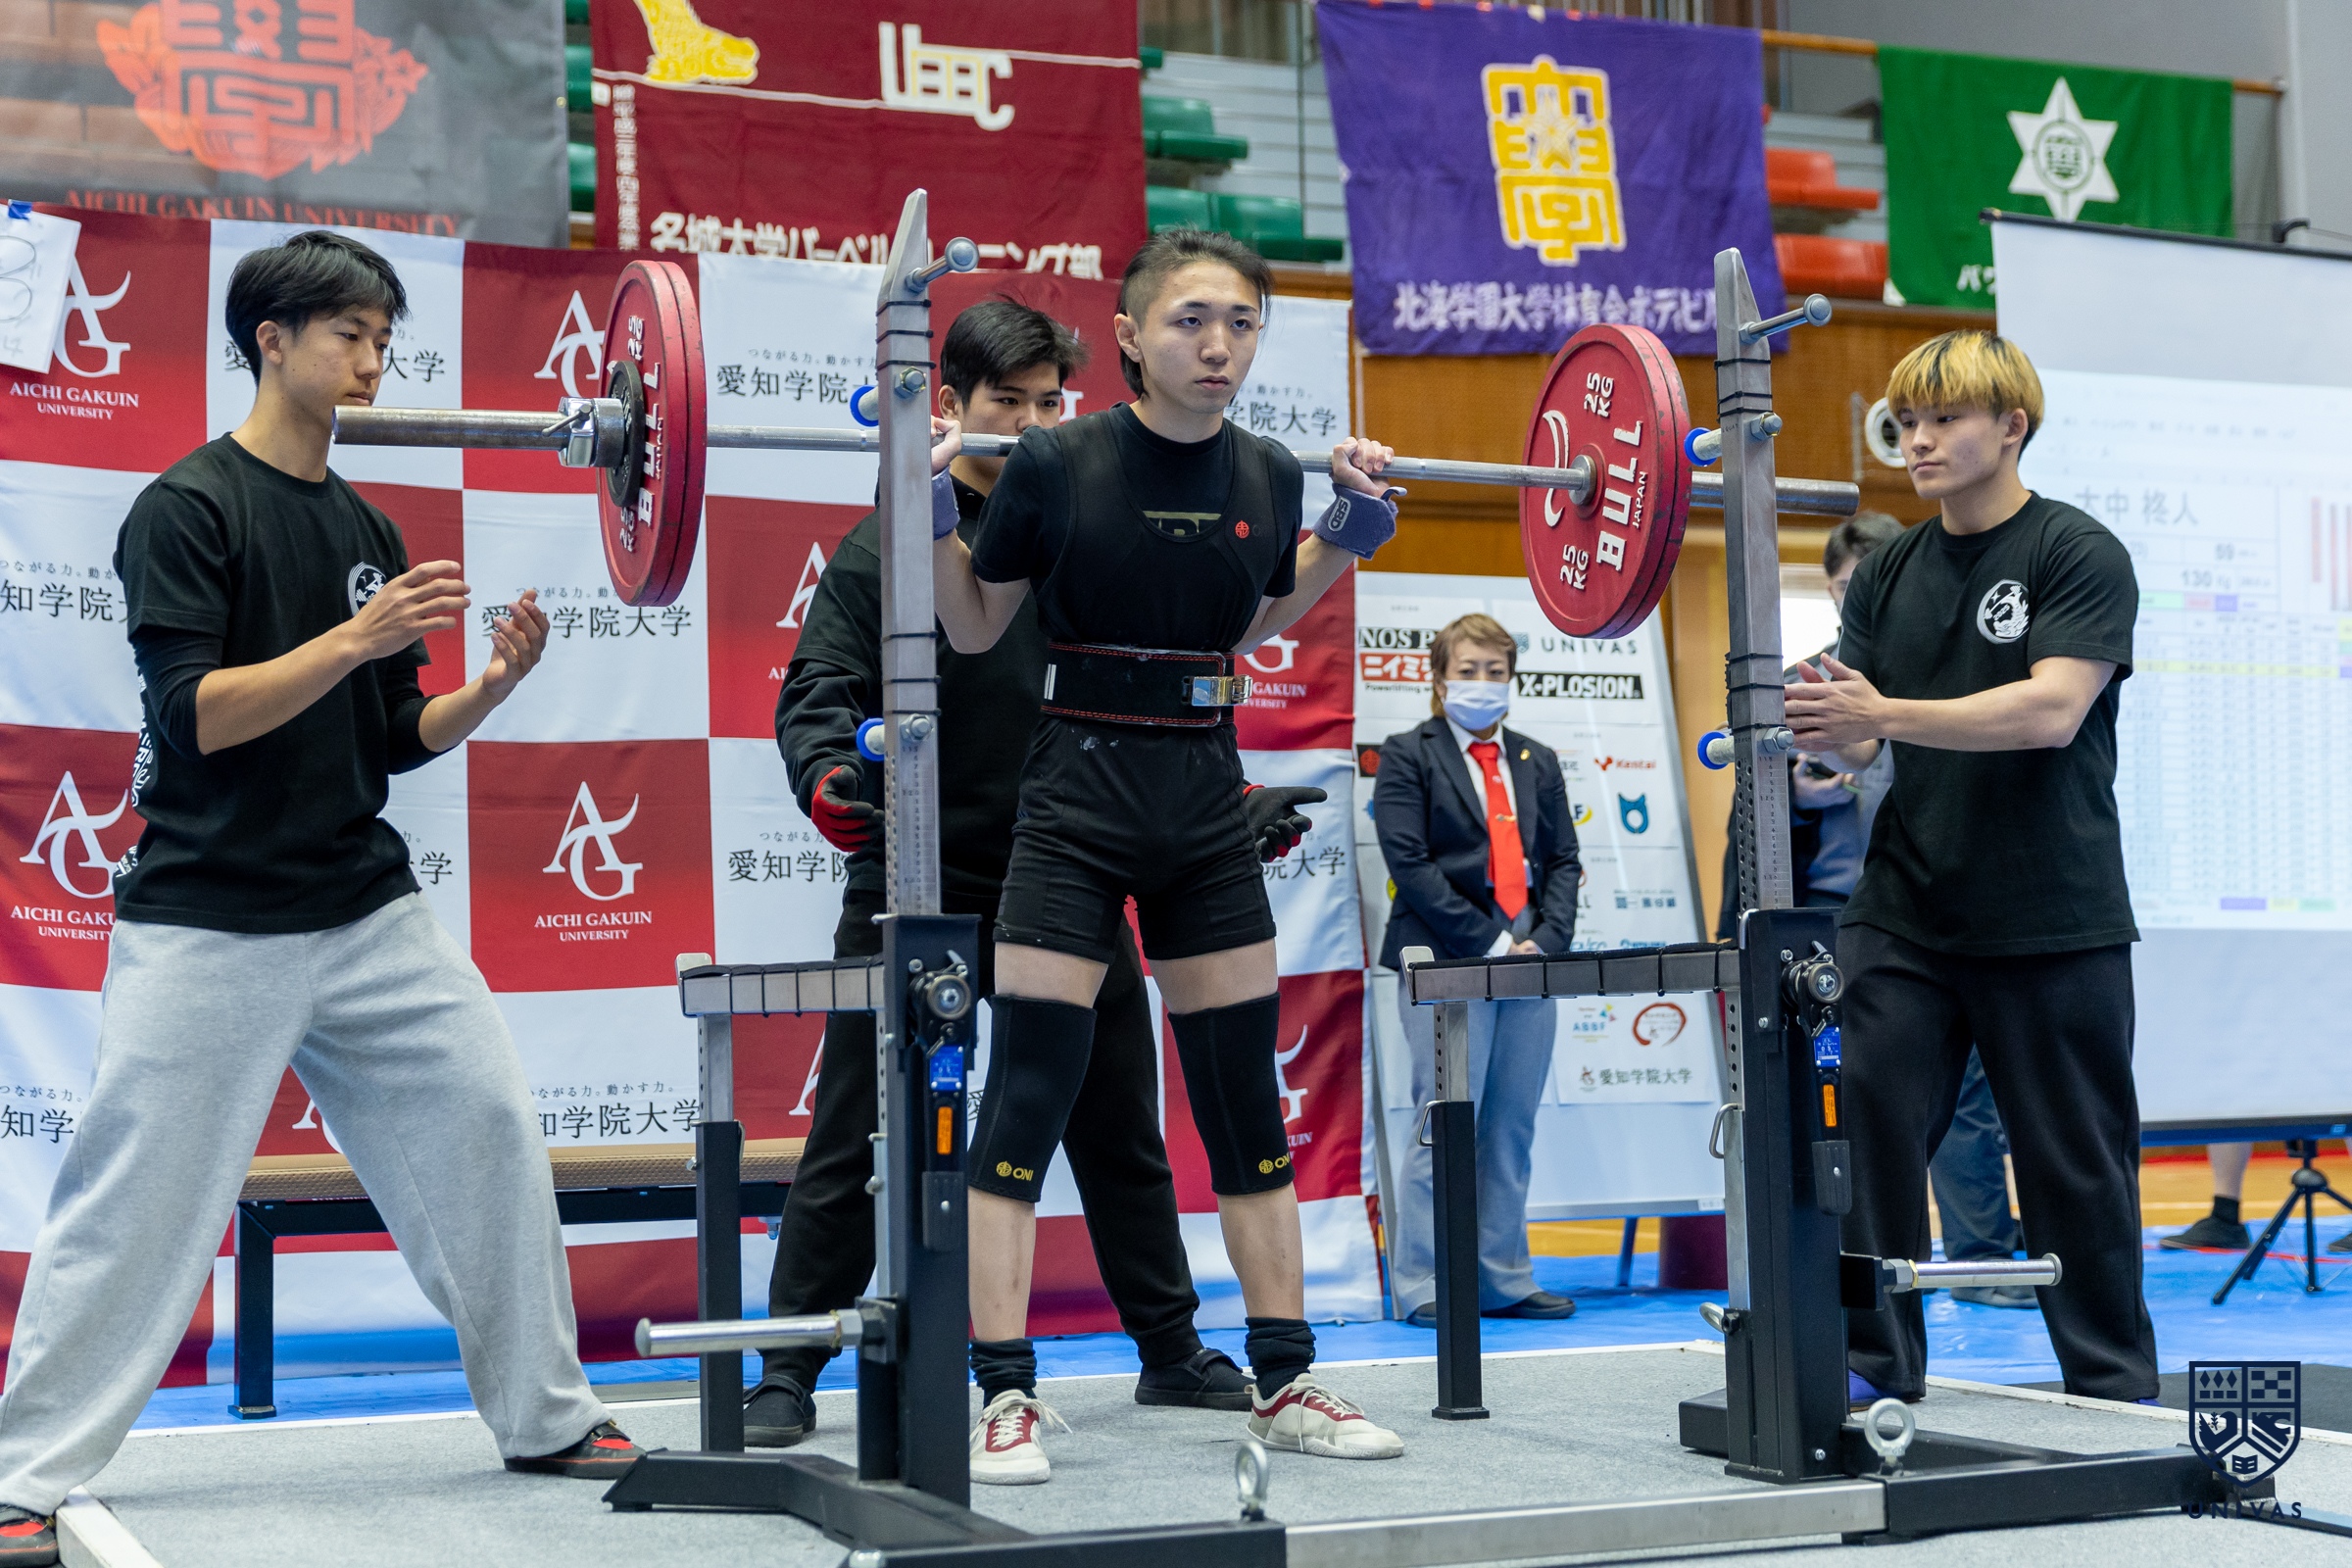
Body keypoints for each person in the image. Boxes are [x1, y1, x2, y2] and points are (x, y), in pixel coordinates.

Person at [0, 232, 632, 1567]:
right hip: (207, 915)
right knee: (133, 1203)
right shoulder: (186, 510)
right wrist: (357, 635)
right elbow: (197, 716)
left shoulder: (367, 528)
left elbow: (394, 735)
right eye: (349, 334)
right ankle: (21, 1475)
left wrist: (490, 688)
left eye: (384, 340)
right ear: (271, 340)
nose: (371, 360)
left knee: (487, 1126)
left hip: (363, 907)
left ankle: (548, 1417)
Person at [747, 299, 1322, 1446]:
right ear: (949, 407)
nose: (1028, 424)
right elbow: (816, 689)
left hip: (1069, 866)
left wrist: (1223, 804)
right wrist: (829, 777)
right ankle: (788, 1371)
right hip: (920, 881)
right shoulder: (889, 545)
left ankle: (1170, 1348)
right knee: (858, 1129)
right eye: (1005, 402)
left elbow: (1158, 690)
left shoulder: (1081, 523)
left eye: (1048, 402)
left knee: (1118, 1124)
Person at [929, 227, 1407, 1483]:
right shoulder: (1053, 461)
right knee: (1028, 1094)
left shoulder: (1268, 471)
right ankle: (1003, 1393)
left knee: (1244, 1100)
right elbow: (974, 624)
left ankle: (1284, 1376)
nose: (1218, 344)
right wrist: (925, 515)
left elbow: (1246, 617)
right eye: (1192, 320)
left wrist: (1346, 532)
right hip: (1074, 796)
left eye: (1241, 322)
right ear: (1133, 336)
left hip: (1200, 796)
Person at [1784, 329, 2157, 1406]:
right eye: (1908, 421)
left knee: (2075, 1164)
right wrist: (1813, 734)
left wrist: (1883, 714)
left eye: (1946, 419)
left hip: (2055, 911)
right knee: (1857, 1119)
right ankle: (1872, 1364)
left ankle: (2111, 1385)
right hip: (1906, 904)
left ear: (2012, 427)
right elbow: (1861, 741)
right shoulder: (1888, 570)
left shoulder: (2076, 551)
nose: (1919, 439)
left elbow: (2052, 710)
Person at [1722, 512, 2035, 1311]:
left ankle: (1979, 1256)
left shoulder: (1951, 668)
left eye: (1874, 583)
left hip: (1948, 903)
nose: (1858, 599)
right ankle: (1847, 1282)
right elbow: (1750, 820)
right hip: (1831, 920)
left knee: (1967, 1096)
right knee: (1844, 1099)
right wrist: (1799, 790)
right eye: (1844, 588)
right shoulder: (1803, 680)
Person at [1372, 613, 1581, 1328]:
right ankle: (1425, 1281)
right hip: (1444, 959)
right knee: (1443, 1122)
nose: (1483, 683)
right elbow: (1410, 865)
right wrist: (1493, 943)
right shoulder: (1408, 754)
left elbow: (1563, 860)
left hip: (1532, 963)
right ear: (1439, 679)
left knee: (1511, 1124)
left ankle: (1502, 1276)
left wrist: (1545, 942)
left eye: (1496, 671)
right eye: (1468, 670)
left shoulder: (1536, 759)